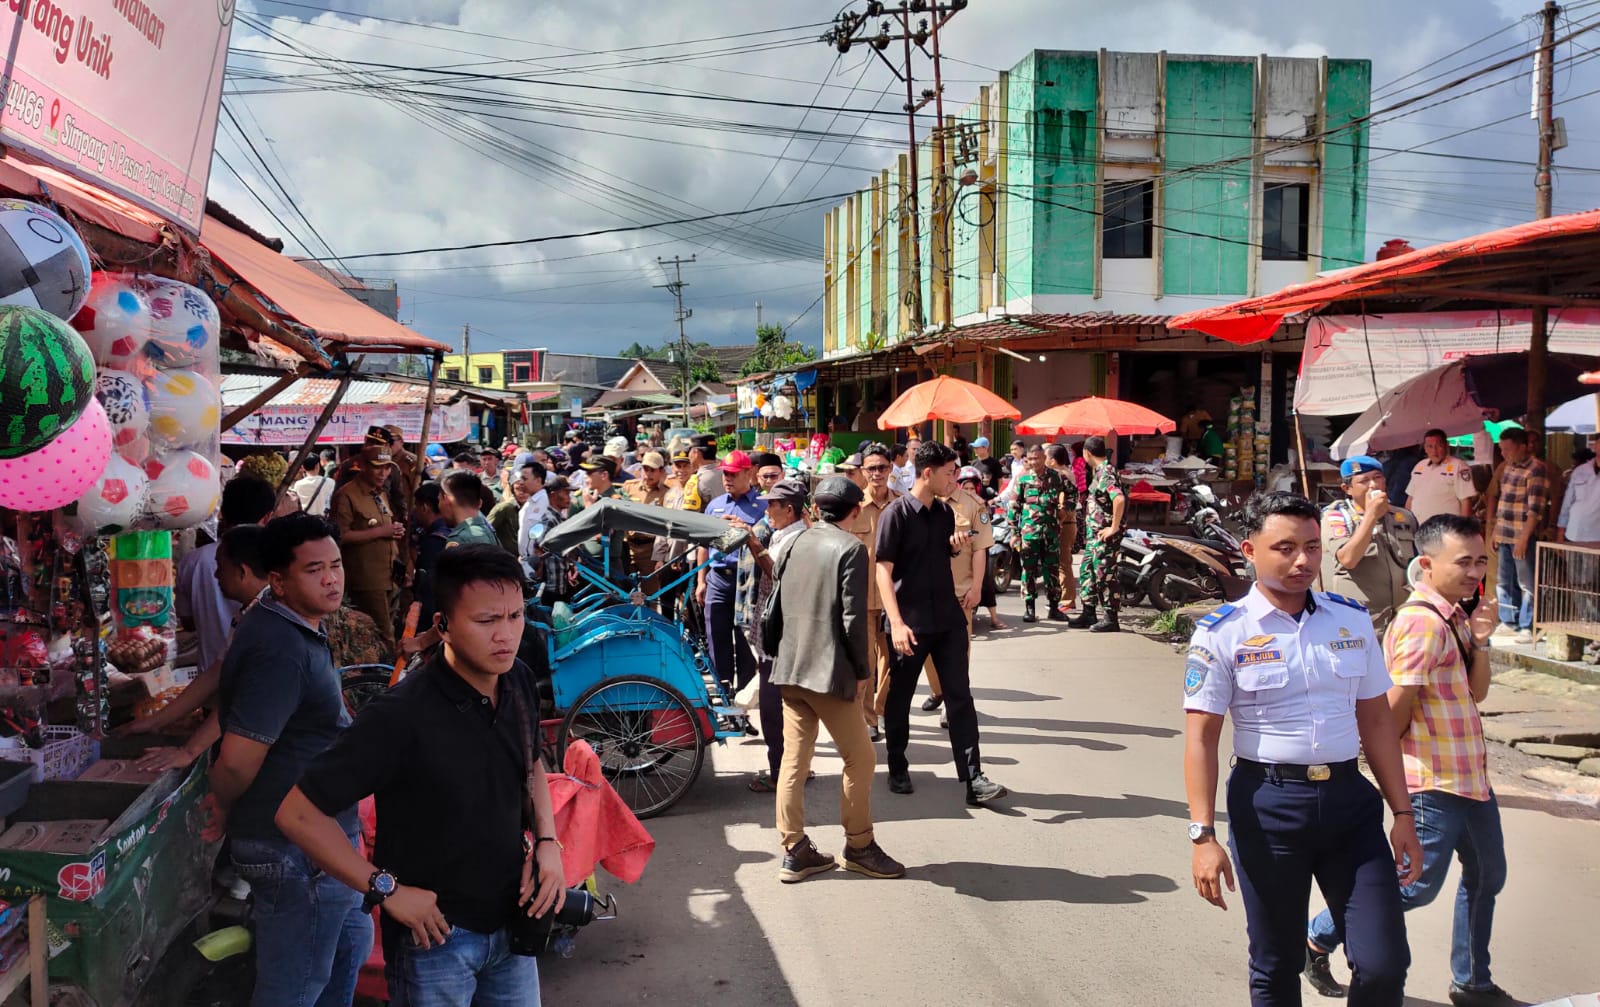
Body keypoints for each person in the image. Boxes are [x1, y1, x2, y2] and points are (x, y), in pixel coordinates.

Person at [277, 546, 564, 1007]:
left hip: (512, 924)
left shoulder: (518, 680)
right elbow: (297, 813)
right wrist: (384, 888)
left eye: (515, 616)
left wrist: (548, 844)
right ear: (443, 625)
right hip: (435, 940)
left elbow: (530, 762)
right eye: (487, 621)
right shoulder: (401, 715)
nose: (506, 635)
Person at [1183, 491, 1421, 1007]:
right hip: (1268, 807)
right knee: (1275, 964)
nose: (1303, 561)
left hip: (1349, 807)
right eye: (1285, 547)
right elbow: (1201, 737)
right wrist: (1202, 834)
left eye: (1312, 547)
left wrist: (1402, 812)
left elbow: (1377, 721)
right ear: (1249, 550)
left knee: (1384, 964)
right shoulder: (1222, 633)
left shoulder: (1350, 619)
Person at [1303, 514, 1512, 1007]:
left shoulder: (1454, 617)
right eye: (1463, 561)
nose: (1474, 571)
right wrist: (1395, 787)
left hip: (1471, 781)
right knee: (1412, 888)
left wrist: (1480, 640)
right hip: (1432, 781)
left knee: (1487, 877)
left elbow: (1476, 693)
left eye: (1481, 561)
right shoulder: (1419, 623)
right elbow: (1391, 714)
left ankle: (1472, 983)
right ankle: (1318, 935)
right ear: (1426, 563)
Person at [209, 513, 372, 1007]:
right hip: (291, 846)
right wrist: (219, 809)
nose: (331, 578)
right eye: (314, 569)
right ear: (277, 581)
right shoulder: (280, 647)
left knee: (348, 946)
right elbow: (238, 759)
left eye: (337, 565)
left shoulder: (289, 625)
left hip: (321, 834)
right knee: (295, 986)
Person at [769, 475, 906, 882]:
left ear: (815, 508)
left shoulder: (793, 542)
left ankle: (794, 850)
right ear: (855, 510)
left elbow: (775, 607)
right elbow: (851, 620)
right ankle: (860, 845)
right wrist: (863, 672)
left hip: (790, 667)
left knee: (794, 761)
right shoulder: (850, 547)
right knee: (860, 758)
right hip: (827, 673)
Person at [875, 441, 1007, 806]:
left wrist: (953, 547)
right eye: (949, 473)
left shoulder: (945, 514)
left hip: (947, 619)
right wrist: (897, 624)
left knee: (960, 696)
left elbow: (937, 554)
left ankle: (974, 777)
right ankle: (897, 765)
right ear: (927, 473)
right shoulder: (895, 515)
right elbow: (883, 573)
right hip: (910, 623)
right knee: (900, 698)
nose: (955, 480)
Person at [739, 478, 809, 792]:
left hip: (783, 637)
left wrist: (753, 541)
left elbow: (777, 574)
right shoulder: (783, 533)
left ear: (789, 509)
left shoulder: (798, 539)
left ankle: (783, 773)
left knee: (774, 710)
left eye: (772, 504)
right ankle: (789, 768)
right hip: (774, 634)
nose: (767, 509)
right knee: (781, 708)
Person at [177, 474, 277, 680]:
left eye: (220, 569)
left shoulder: (194, 561)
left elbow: (188, 622)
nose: (215, 574)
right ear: (268, 517)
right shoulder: (277, 560)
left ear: (243, 572)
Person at [1323, 455, 1419, 635]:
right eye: (1364, 481)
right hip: (1361, 620)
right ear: (1347, 489)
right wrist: (1371, 516)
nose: (1373, 485)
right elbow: (1348, 559)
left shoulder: (1404, 517)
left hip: (1401, 617)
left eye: (1377, 477)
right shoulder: (1337, 518)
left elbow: (1417, 563)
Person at [698, 450, 765, 694]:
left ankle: (743, 701)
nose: (727, 479)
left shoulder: (763, 507)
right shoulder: (715, 506)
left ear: (749, 473)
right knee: (716, 639)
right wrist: (700, 580)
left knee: (746, 643)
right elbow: (703, 545)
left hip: (747, 581)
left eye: (733, 474)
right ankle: (723, 696)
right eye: (725, 474)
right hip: (717, 579)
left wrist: (746, 530)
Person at [847, 444, 901, 739]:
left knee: (894, 661)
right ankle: (868, 721)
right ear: (863, 471)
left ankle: (882, 710)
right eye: (871, 468)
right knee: (864, 663)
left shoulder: (902, 505)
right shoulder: (853, 507)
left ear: (891, 468)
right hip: (862, 598)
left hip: (895, 597)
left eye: (882, 467)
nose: (877, 473)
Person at [329, 448, 405, 658]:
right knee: (384, 634)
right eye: (377, 467)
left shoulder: (381, 494)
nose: (383, 473)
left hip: (389, 575)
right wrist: (381, 531)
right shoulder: (347, 495)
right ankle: (389, 678)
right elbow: (340, 536)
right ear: (362, 466)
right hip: (366, 578)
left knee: (390, 628)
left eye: (387, 467)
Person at [1483, 429, 1549, 645]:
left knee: (1526, 582)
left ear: (1523, 447)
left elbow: (1535, 510)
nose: (1504, 454)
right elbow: (1502, 501)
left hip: (1523, 536)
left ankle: (1527, 625)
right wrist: (1495, 531)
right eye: (1502, 449)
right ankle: (1508, 621)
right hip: (1504, 533)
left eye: (1508, 449)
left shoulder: (1536, 469)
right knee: (1504, 581)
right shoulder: (1508, 467)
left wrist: (1523, 539)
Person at [1067, 436, 1126, 633]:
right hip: (1095, 536)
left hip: (1105, 535)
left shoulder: (1106, 472)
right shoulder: (1099, 471)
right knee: (1087, 572)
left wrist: (1114, 527)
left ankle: (1111, 618)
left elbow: (1119, 499)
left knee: (1105, 575)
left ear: (1087, 453)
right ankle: (1089, 612)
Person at [1010, 444, 1068, 623]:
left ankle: (1053, 607)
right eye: (1030, 459)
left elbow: (1072, 492)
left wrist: (1066, 509)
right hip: (1029, 534)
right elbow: (1014, 506)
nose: (1034, 462)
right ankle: (1029, 608)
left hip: (1051, 532)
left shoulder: (1056, 477)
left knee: (1051, 570)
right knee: (1029, 570)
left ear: (1044, 458)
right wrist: (1014, 532)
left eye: (1037, 458)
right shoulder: (1022, 479)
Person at [1406, 429, 1478, 523]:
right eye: (1430, 446)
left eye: (1438, 446)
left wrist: (1464, 528)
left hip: (1447, 528)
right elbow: (1410, 498)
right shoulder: (1419, 466)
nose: (1434, 451)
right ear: (1425, 448)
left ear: (1446, 445)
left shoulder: (1459, 466)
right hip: (1419, 528)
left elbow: (1465, 501)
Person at [623, 451, 669, 587]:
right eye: (645, 469)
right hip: (628, 547)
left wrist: (660, 557)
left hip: (650, 550)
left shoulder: (667, 493)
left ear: (661, 471)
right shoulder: (629, 487)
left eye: (652, 470)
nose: (648, 474)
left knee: (650, 595)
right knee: (626, 594)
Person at [411, 483, 452, 631]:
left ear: (425, 507)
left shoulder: (435, 541)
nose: (414, 512)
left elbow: (427, 588)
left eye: (416, 506)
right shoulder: (452, 530)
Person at [1046, 444, 1080, 611]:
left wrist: (1059, 519)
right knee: (1063, 561)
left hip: (1065, 523)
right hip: (1068, 523)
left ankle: (1067, 601)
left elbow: (1064, 505)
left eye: (1045, 457)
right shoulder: (1067, 472)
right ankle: (1064, 598)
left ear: (1052, 461)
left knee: (1063, 563)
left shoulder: (1062, 476)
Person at [1557, 435, 1600, 548]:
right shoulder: (1580, 470)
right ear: (1594, 446)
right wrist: (1561, 531)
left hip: (1596, 536)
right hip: (1574, 532)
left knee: (1592, 566)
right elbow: (1567, 504)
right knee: (1572, 566)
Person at [441, 470, 499, 548]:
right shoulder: (489, 531)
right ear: (480, 503)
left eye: (439, 500)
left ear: (447, 501)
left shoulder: (458, 539)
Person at [488, 464, 534, 554]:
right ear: (513, 488)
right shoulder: (504, 508)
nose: (522, 492)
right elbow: (487, 531)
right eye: (518, 488)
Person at [517, 461, 551, 561]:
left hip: (539, 563)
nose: (521, 482)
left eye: (525, 479)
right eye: (521, 478)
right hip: (526, 560)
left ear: (538, 480)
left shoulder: (546, 502)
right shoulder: (529, 503)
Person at [682, 435, 724, 512]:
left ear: (696, 453)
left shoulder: (696, 481)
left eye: (689, 451)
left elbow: (689, 515)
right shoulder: (728, 474)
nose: (688, 456)